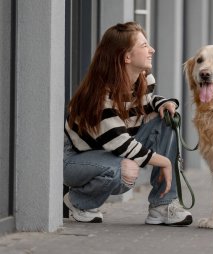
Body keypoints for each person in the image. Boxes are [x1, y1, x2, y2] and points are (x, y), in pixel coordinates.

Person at [63, 21, 192, 226]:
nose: (152, 50)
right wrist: (165, 162)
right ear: (127, 57)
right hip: (76, 159)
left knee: (166, 121)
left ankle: (162, 205)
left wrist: (163, 103)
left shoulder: (143, 78)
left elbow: (145, 102)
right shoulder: (100, 97)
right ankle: (78, 201)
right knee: (122, 171)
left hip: (112, 150)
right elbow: (123, 145)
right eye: (144, 46)